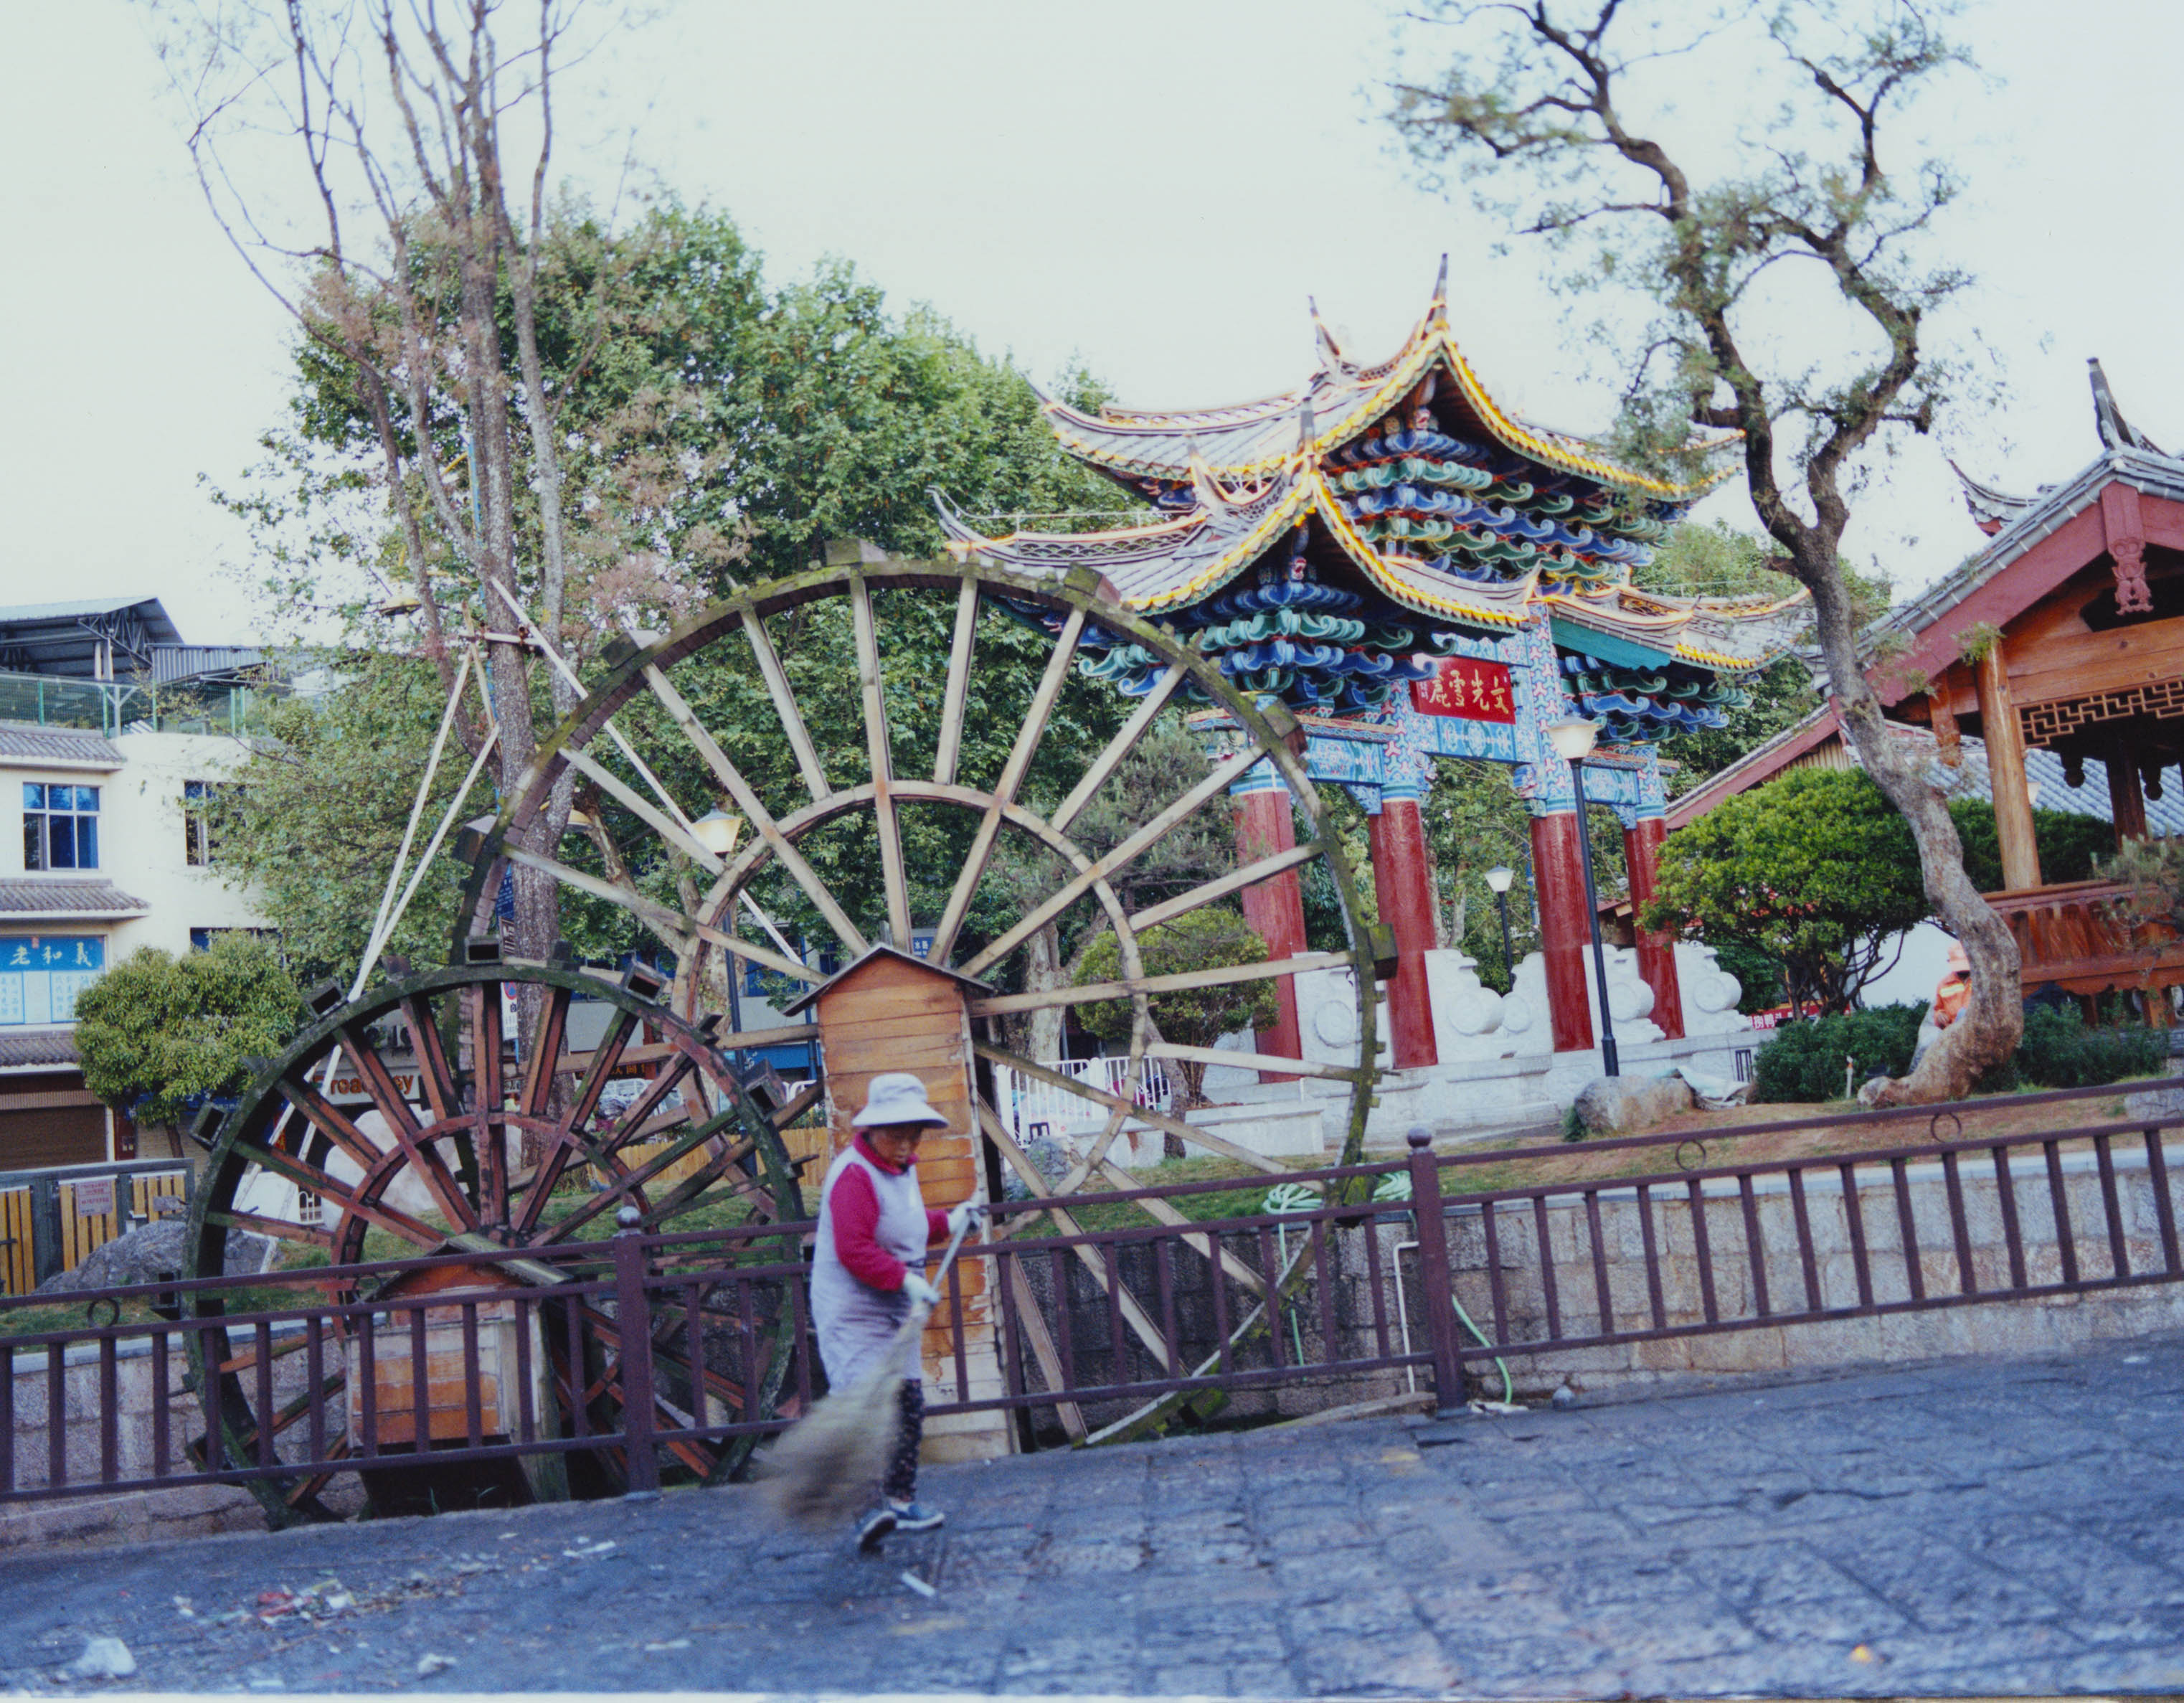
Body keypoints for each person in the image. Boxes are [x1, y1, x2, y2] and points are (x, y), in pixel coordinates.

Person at [809, 1070, 983, 1551]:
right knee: (867, 1407)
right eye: (899, 1134)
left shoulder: (900, 1170)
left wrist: (952, 1222)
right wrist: (907, 1280)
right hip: (852, 1309)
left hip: (892, 1305)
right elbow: (855, 1249)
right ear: (873, 1131)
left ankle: (901, 1502)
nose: (908, 1144)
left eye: (914, 1134)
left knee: (906, 1403)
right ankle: (865, 1511)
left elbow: (904, 1226)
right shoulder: (853, 1175)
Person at [1909, 941, 1972, 1070]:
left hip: (1973, 1030)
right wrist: (1939, 1016)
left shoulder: (1980, 980)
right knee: (1927, 1043)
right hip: (1950, 1031)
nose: (1962, 971)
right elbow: (1938, 1008)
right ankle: (1916, 1076)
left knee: (1963, 1013)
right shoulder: (1944, 984)